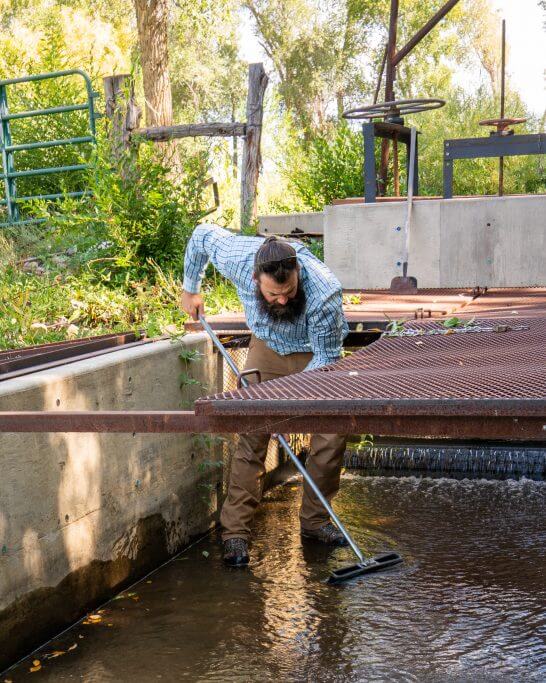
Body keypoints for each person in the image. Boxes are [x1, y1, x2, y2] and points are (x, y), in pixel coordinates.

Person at [181, 223, 349, 566]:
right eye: (274, 294)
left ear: (298, 271)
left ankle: (315, 523)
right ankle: (235, 535)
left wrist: (290, 406)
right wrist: (190, 289)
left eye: (289, 289)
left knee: (331, 436)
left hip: (314, 355)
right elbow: (200, 235)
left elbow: (325, 361)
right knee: (252, 435)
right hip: (267, 348)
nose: (283, 299)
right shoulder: (237, 257)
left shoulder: (325, 292)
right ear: (256, 279)